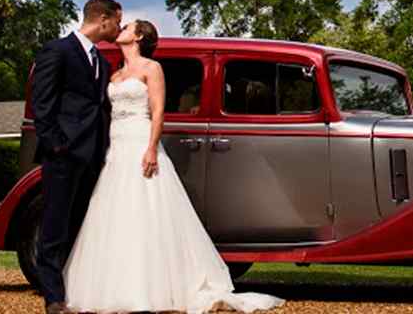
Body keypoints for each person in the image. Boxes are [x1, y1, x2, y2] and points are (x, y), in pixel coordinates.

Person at [63, 19, 283, 313]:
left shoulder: (151, 69)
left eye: (127, 27)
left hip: (140, 140)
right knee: (116, 211)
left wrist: (152, 148)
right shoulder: (114, 74)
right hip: (116, 146)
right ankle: (113, 283)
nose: (122, 30)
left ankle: (155, 286)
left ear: (139, 36)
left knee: (146, 208)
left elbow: (157, 112)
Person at [30, 0, 122, 314]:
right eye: (117, 22)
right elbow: (42, 103)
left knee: (79, 226)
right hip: (64, 154)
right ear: (103, 18)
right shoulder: (58, 50)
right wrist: (57, 145)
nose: (119, 28)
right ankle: (53, 299)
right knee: (54, 227)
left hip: (93, 155)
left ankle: (74, 290)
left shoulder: (104, 61)